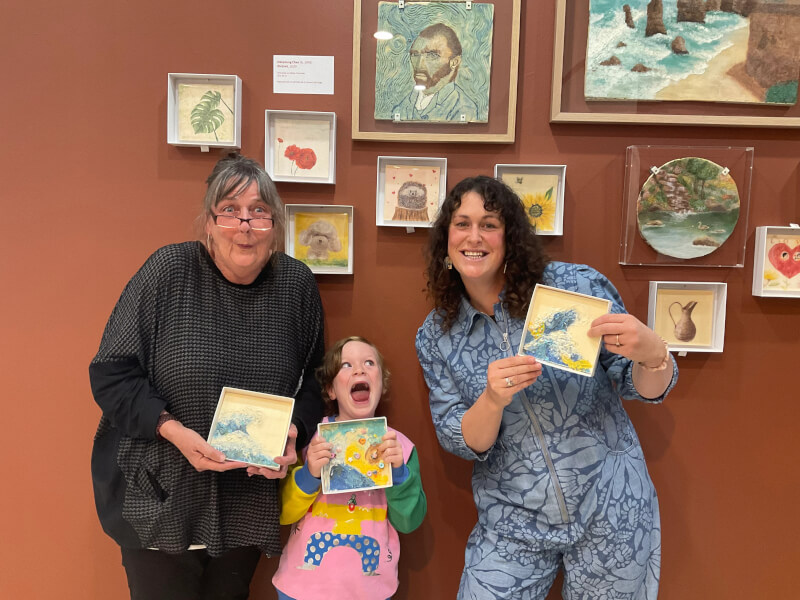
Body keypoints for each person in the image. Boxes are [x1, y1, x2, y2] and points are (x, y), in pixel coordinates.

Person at [415, 175, 678, 599]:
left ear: (510, 236)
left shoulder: (573, 287)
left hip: (611, 507)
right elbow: (462, 441)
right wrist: (492, 399)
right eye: (462, 224)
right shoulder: (437, 335)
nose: (474, 236)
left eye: (489, 223)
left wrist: (653, 353)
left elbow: (640, 386)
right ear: (446, 240)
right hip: (512, 522)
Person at [89, 154, 325, 599]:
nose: (245, 225)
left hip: (245, 501)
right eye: (230, 210)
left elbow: (311, 383)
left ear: (274, 225)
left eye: (259, 212)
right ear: (209, 222)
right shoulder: (167, 272)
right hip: (162, 497)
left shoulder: (296, 285)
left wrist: (297, 431)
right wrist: (172, 430)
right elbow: (111, 374)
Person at [272, 336, 427, 600]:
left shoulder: (399, 448)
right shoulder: (309, 440)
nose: (359, 370)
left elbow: (409, 522)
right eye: (346, 365)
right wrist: (310, 474)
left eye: (369, 363)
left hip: (371, 590)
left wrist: (399, 474)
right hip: (301, 589)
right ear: (331, 390)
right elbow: (282, 514)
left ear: (381, 383)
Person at [392, 23, 479, 122]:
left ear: (454, 62)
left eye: (432, 55)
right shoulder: (401, 107)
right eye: (415, 54)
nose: (419, 64)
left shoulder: (464, 108)